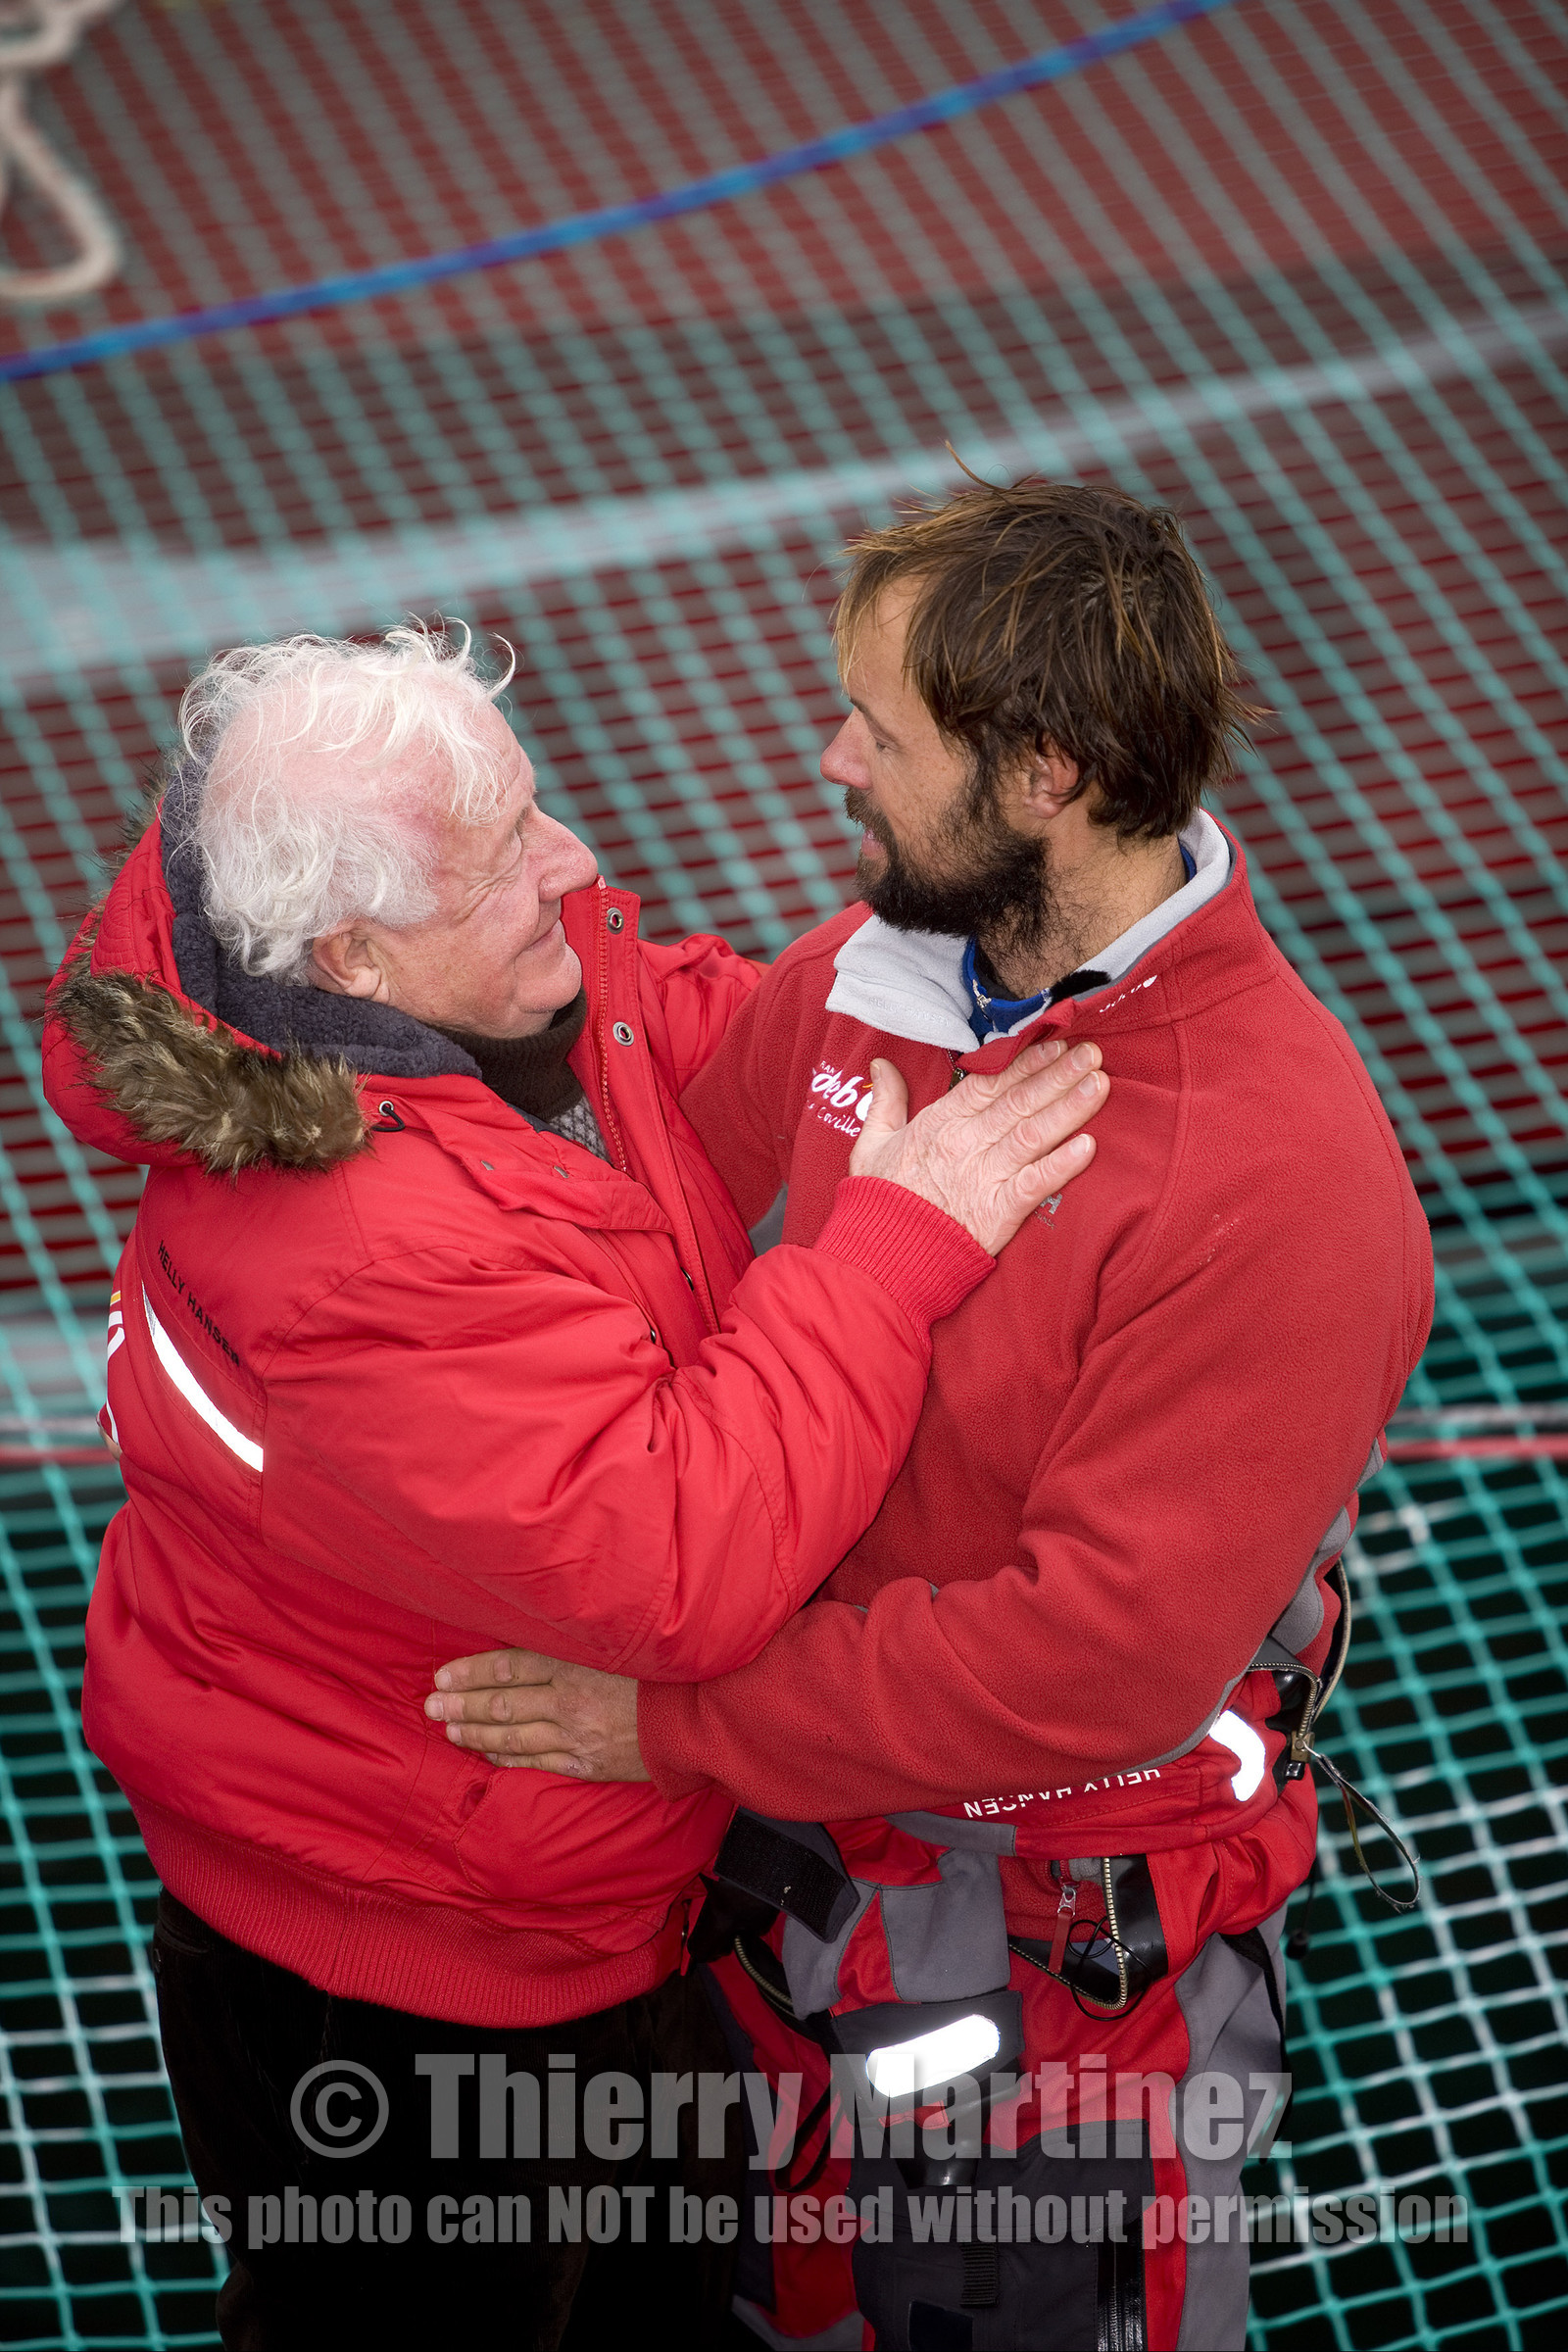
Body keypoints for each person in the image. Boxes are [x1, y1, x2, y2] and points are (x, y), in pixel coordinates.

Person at [425, 483, 1435, 2352]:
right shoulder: (874, 977)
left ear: (1045, 771)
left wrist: (673, 1723)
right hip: (795, 1886)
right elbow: (670, 1196)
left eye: (879, 732)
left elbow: (1093, 1660)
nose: (830, 763)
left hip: (1054, 1986)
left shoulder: (1276, 1176)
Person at [39, 622, 1110, 2350]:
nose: (577, 865)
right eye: (509, 857)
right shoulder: (357, 1254)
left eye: (537, 811)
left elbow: (701, 1039)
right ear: (356, 950)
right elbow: (685, 1560)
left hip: (544, 1900)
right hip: (410, 1993)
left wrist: (925, 956)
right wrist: (899, 1249)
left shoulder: (463, 994)